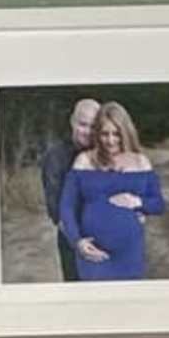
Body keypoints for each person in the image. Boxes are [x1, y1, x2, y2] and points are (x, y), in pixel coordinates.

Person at [62, 102, 164, 282]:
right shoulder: (83, 161)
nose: (110, 140)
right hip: (93, 254)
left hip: (130, 255)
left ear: (126, 132)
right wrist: (77, 241)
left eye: (116, 134)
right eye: (105, 134)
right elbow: (67, 206)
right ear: (97, 134)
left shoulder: (141, 162)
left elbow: (159, 204)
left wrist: (138, 202)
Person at [36, 95, 102, 281]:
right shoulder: (55, 157)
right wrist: (78, 242)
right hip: (73, 241)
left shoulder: (107, 151)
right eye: (83, 124)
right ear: (72, 122)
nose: (88, 131)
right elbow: (57, 210)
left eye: (94, 126)